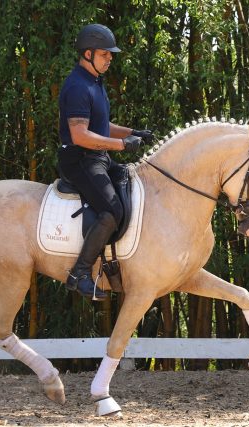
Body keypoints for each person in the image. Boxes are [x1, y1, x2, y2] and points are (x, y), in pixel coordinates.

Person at [57, 23, 154, 301]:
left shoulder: (94, 83)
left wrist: (133, 133)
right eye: (104, 54)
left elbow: (102, 125)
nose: (110, 58)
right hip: (79, 160)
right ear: (88, 54)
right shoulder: (77, 86)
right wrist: (121, 145)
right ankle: (80, 273)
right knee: (111, 210)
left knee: (129, 180)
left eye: (110, 55)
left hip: (98, 156)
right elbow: (79, 134)